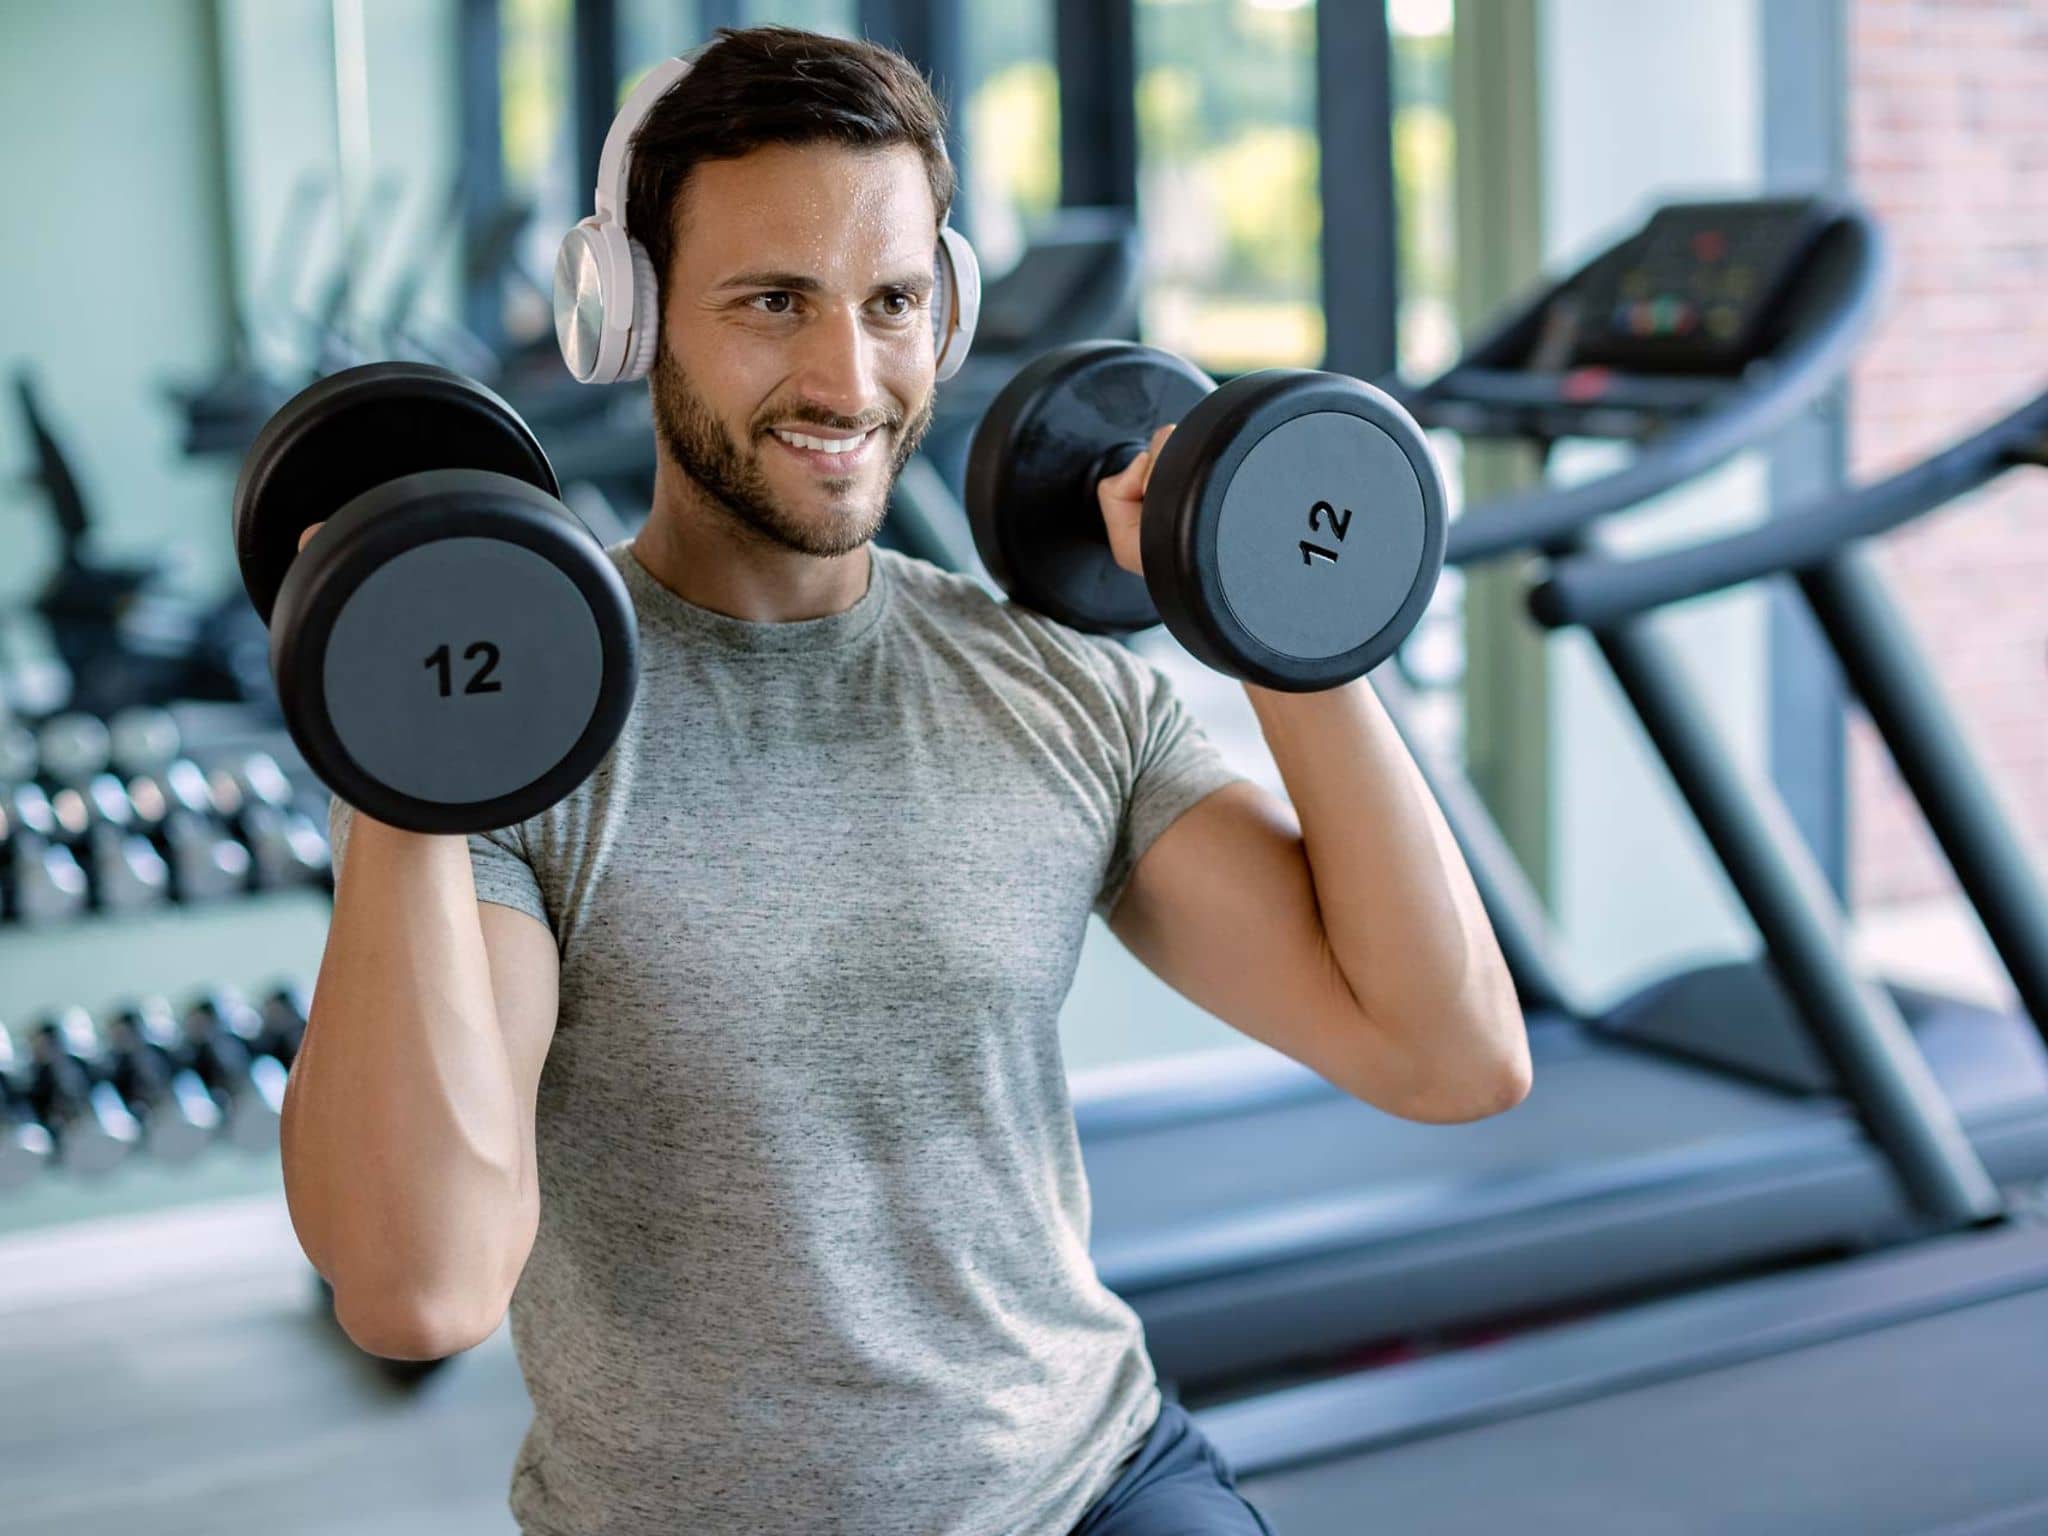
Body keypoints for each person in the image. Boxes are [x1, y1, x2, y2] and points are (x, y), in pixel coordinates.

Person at [279, 25, 1528, 1536]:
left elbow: (1448, 1057)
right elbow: (421, 1291)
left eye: (891, 303)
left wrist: (1268, 605)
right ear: (627, 314)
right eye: (771, 302)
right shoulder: (522, 754)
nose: (846, 374)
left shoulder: (1052, 689)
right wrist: (405, 745)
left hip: (1091, 1487)